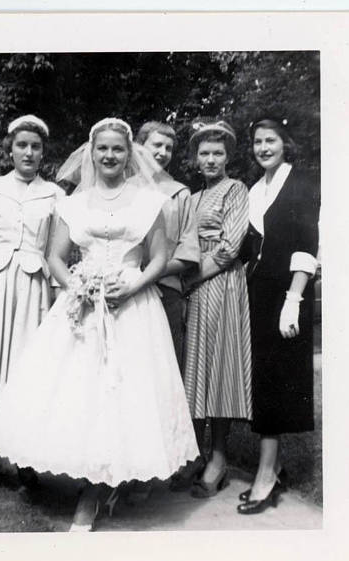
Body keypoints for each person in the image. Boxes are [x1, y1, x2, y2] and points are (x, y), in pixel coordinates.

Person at [0, 118, 199, 531]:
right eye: (102, 148)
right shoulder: (74, 204)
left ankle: (100, 489)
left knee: (124, 394)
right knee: (80, 395)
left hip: (132, 305)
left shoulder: (149, 202)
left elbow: (158, 256)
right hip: (81, 306)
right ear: (91, 152)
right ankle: (90, 479)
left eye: (117, 149)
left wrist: (134, 285)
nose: (109, 156)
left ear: (128, 153)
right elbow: (55, 257)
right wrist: (76, 286)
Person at [0, 115, 65, 498]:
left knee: (27, 372)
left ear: (43, 153)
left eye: (35, 147)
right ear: (10, 149)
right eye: (22, 145)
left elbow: (57, 250)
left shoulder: (55, 195)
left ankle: (24, 460)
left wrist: (55, 293)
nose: (28, 152)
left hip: (34, 289)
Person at [237, 117, 320, 514]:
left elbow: (307, 244)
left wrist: (294, 299)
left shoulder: (301, 185)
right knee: (266, 379)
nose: (263, 147)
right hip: (259, 292)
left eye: (271, 140)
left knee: (275, 380)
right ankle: (276, 465)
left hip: (287, 293)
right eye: (257, 142)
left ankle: (266, 476)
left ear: (286, 143)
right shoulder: (255, 189)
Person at [182, 119, 252, 498]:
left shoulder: (235, 189)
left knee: (220, 366)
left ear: (228, 157)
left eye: (218, 153)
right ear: (195, 158)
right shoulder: (191, 198)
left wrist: (194, 279)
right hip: (194, 285)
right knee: (195, 367)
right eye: (204, 153)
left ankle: (219, 459)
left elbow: (230, 245)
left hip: (221, 282)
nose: (211, 159)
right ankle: (194, 454)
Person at [135, 121, 201, 493]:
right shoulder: (120, 189)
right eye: (155, 145)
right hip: (123, 296)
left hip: (165, 291)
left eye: (168, 148)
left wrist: (146, 272)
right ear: (139, 145)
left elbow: (189, 251)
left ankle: (160, 466)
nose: (161, 153)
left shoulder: (179, 195)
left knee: (162, 379)